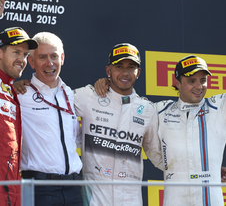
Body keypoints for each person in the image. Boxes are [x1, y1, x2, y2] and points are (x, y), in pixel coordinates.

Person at [95, 54, 226, 205]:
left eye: (203, 80)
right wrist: (108, 85)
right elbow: (127, 104)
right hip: (175, 196)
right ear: (177, 82)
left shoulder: (219, 107)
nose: (198, 86)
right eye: (191, 81)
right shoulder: (159, 110)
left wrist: (207, 166)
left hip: (211, 197)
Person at [73, 43, 163, 206]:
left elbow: (158, 155)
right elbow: (54, 99)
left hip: (131, 199)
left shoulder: (148, 110)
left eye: (131, 67)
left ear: (138, 72)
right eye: (119, 66)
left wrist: (205, 171)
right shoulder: (88, 96)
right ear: (109, 71)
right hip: (94, 198)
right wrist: (19, 87)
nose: (125, 72)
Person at [17, 32, 83, 206]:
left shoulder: (70, 93)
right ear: (31, 62)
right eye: (42, 57)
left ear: (62, 58)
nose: (49, 63)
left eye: (54, 56)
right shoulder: (20, 95)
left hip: (75, 187)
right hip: (40, 188)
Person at [0, 27, 38, 206]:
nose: (21, 59)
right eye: (16, 52)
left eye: (24, 54)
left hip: (12, 190)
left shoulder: (11, 90)